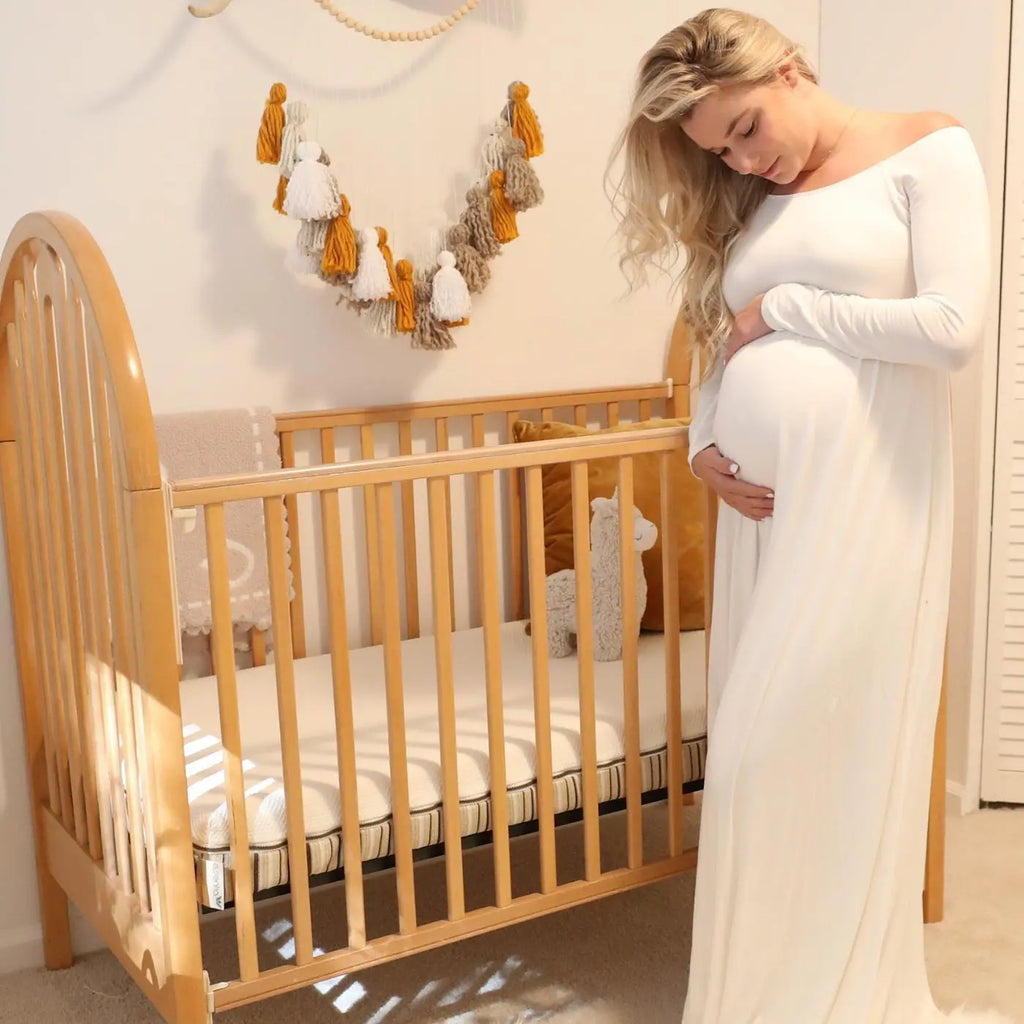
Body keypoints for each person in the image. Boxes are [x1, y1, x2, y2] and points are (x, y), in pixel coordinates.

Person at [608, 8, 1013, 1024]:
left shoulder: (927, 146)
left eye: (744, 127)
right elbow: (721, 337)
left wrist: (785, 310)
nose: (745, 158)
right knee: (757, 768)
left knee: (811, 747)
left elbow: (951, 329)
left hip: (867, 501)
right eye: (717, 149)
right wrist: (701, 438)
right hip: (768, 521)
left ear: (788, 69)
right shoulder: (759, 202)